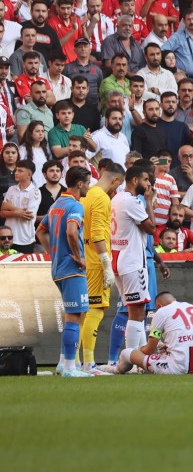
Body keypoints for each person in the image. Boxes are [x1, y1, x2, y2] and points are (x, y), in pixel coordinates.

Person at [35, 165, 93, 378]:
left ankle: (62, 363)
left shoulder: (57, 204)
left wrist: (55, 251)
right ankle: (70, 368)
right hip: (72, 268)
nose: (89, 187)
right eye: (87, 183)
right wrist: (79, 256)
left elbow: (40, 231)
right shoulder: (75, 206)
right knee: (75, 316)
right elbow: (71, 231)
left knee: (72, 313)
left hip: (59, 267)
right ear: (80, 184)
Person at [77, 160, 123, 374]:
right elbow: (96, 233)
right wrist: (106, 264)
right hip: (95, 262)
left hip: (85, 259)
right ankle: (88, 363)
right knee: (95, 310)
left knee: (82, 313)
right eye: (118, 184)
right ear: (114, 180)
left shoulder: (87, 195)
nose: (117, 189)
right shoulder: (102, 198)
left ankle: (74, 362)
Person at [110, 164, 156, 355]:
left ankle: (142, 357)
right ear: (135, 180)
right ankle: (131, 358)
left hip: (118, 256)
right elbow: (152, 228)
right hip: (132, 260)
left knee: (137, 310)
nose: (148, 184)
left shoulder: (117, 198)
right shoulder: (132, 201)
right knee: (137, 313)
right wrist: (149, 202)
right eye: (146, 180)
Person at [115, 291, 193, 375]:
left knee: (126, 353)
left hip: (178, 369)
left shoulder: (161, 311)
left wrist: (138, 352)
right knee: (163, 350)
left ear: (159, 306)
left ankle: (116, 370)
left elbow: (149, 350)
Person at [1, 159, 40, 253]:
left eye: (20, 171)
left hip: (25, 239)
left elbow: (28, 216)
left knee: (23, 268)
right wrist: (19, 211)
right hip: (8, 238)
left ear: (29, 174)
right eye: (16, 170)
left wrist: (10, 207)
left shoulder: (35, 192)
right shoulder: (11, 189)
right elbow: (2, 212)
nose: (16, 173)